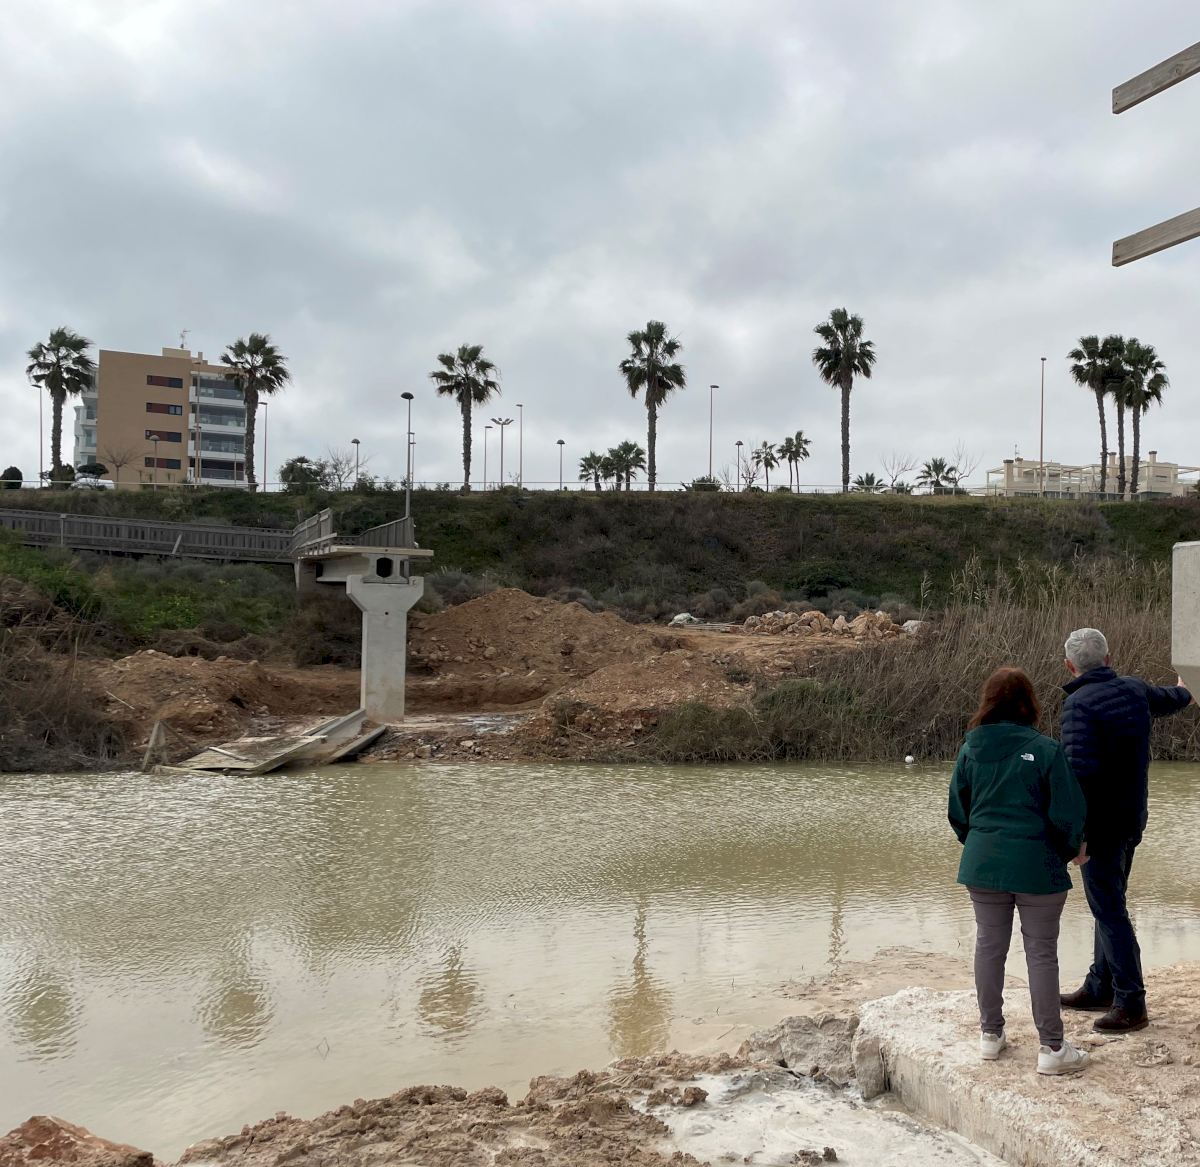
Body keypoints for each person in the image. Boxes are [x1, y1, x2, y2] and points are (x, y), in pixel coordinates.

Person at [948, 666, 1089, 1075]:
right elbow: (1068, 812)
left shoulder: (970, 748)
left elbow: (958, 811)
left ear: (988, 702)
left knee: (988, 947)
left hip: (983, 864)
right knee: (1041, 953)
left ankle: (990, 1036)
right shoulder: (1045, 750)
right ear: (1029, 703)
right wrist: (1068, 850)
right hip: (1037, 867)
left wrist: (981, 844)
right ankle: (1052, 1048)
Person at [1059, 627, 1192, 1033]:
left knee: (1109, 909)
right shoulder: (1134, 689)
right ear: (1108, 659)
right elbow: (1177, 697)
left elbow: (1078, 775)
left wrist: (1077, 835)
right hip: (1131, 818)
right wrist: (1187, 682)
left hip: (1100, 827)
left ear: (1070, 666)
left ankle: (1131, 1002)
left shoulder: (1078, 704)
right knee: (1110, 901)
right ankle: (1100, 985)